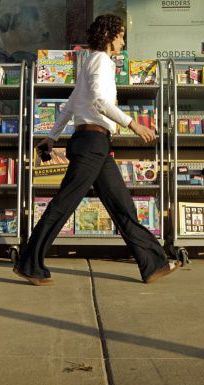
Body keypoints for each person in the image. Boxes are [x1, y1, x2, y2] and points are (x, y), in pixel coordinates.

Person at [14, 14, 180, 286]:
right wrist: (134, 125)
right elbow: (101, 103)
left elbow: (70, 105)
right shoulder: (102, 62)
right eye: (121, 36)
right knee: (63, 205)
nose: (123, 42)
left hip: (95, 144)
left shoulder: (89, 62)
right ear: (110, 36)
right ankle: (29, 264)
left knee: (122, 206)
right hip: (92, 144)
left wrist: (52, 137)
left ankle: (153, 264)